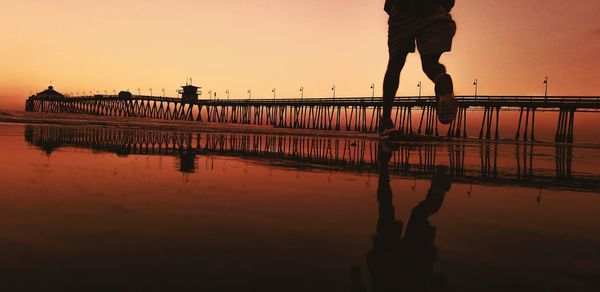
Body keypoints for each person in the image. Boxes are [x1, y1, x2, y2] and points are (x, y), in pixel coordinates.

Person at [380, 0, 458, 136]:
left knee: (395, 65)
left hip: (402, 10)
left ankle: (385, 121)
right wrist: (443, 7)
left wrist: (391, 7)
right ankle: (441, 79)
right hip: (432, 10)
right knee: (430, 64)